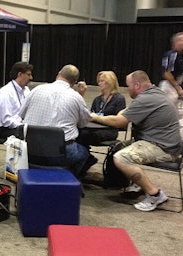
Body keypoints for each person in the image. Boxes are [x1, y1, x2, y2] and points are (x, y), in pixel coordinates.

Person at [91, 70, 181, 212]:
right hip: (161, 142)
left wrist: (94, 117)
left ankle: (155, 194)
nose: (128, 89)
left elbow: (118, 122)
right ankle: (138, 184)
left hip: (164, 147)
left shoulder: (146, 99)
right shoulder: (153, 93)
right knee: (118, 147)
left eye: (129, 86)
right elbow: (126, 111)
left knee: (121, 158)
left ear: (137, 85)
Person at [19, 64, 92, 178]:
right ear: (75, 82)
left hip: (31, 150)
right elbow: (83, 123)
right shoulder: (76, 97)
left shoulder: (36, 90)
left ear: (58, 74)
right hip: (60, 154)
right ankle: (66, 180)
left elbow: (21, 115)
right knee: (85, 153)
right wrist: (81, 95)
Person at [77, 71, 126, 147]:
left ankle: (88, 157)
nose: (99, 83)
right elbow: (91, 115)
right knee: (77, 132)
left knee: (84, 135)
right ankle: (87, 156)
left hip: (109, 130)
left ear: (110, 82)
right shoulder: (97, 99)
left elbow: (120, 123)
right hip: (94, 128)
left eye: (102, 81)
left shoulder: (119, 99)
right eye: (99, 81)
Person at [0, 61, 33, 139]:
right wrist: (23, 126)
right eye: (28, 75)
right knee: (32, 135)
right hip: (5, 129)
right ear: (20, 75)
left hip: (20, 126)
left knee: (40, 132)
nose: (31, 78)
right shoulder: (5, 93)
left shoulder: (26, 90)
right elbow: (6, 121)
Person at [162, 32, 183, 97]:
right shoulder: (171, 55)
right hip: (169, 85)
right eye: (181, 40)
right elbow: (166, 73)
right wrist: (177, 88)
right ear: (175, 43)